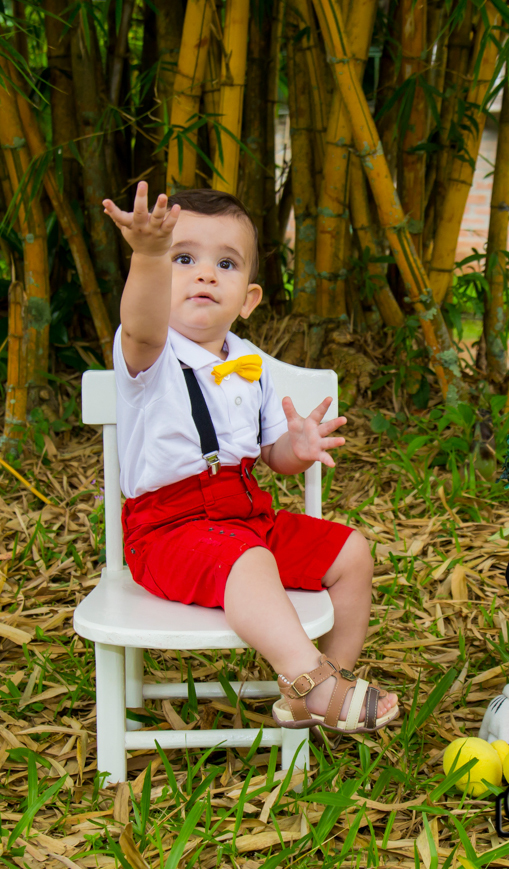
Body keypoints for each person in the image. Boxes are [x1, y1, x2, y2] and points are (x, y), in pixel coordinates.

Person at [101, 182, 399, 733]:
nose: (205, 274)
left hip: (245, 516)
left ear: (250, 299)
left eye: (226, 263)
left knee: (352, 553)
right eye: (183, 258)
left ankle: (322, 682)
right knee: (249, 559)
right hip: (167, 530)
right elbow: (141, 319)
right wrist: (147, 253)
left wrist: (297, 448)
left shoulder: (250, 362)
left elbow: (271, 456)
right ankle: (309, 678)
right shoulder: (148, 352)